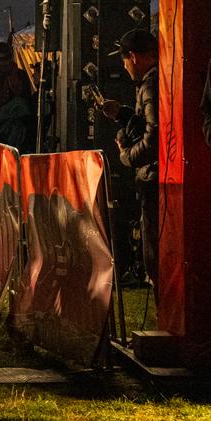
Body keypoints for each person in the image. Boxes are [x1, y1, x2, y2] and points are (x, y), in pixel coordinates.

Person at [98, 28, 159, 298]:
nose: (124, 67)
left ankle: (164, 313)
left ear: (133, 57)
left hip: (153, 178)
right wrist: (123, 114)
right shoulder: (156, 81)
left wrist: (126, 156)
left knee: (154, 256)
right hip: (156, 176)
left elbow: (153, 138)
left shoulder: (150, 86)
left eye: (124, 60)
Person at [0, 41, 36, 153]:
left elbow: (26, 101)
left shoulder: (20, 76)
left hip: (18, 121)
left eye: (6, 59)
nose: (3, 63)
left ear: (11, 58)